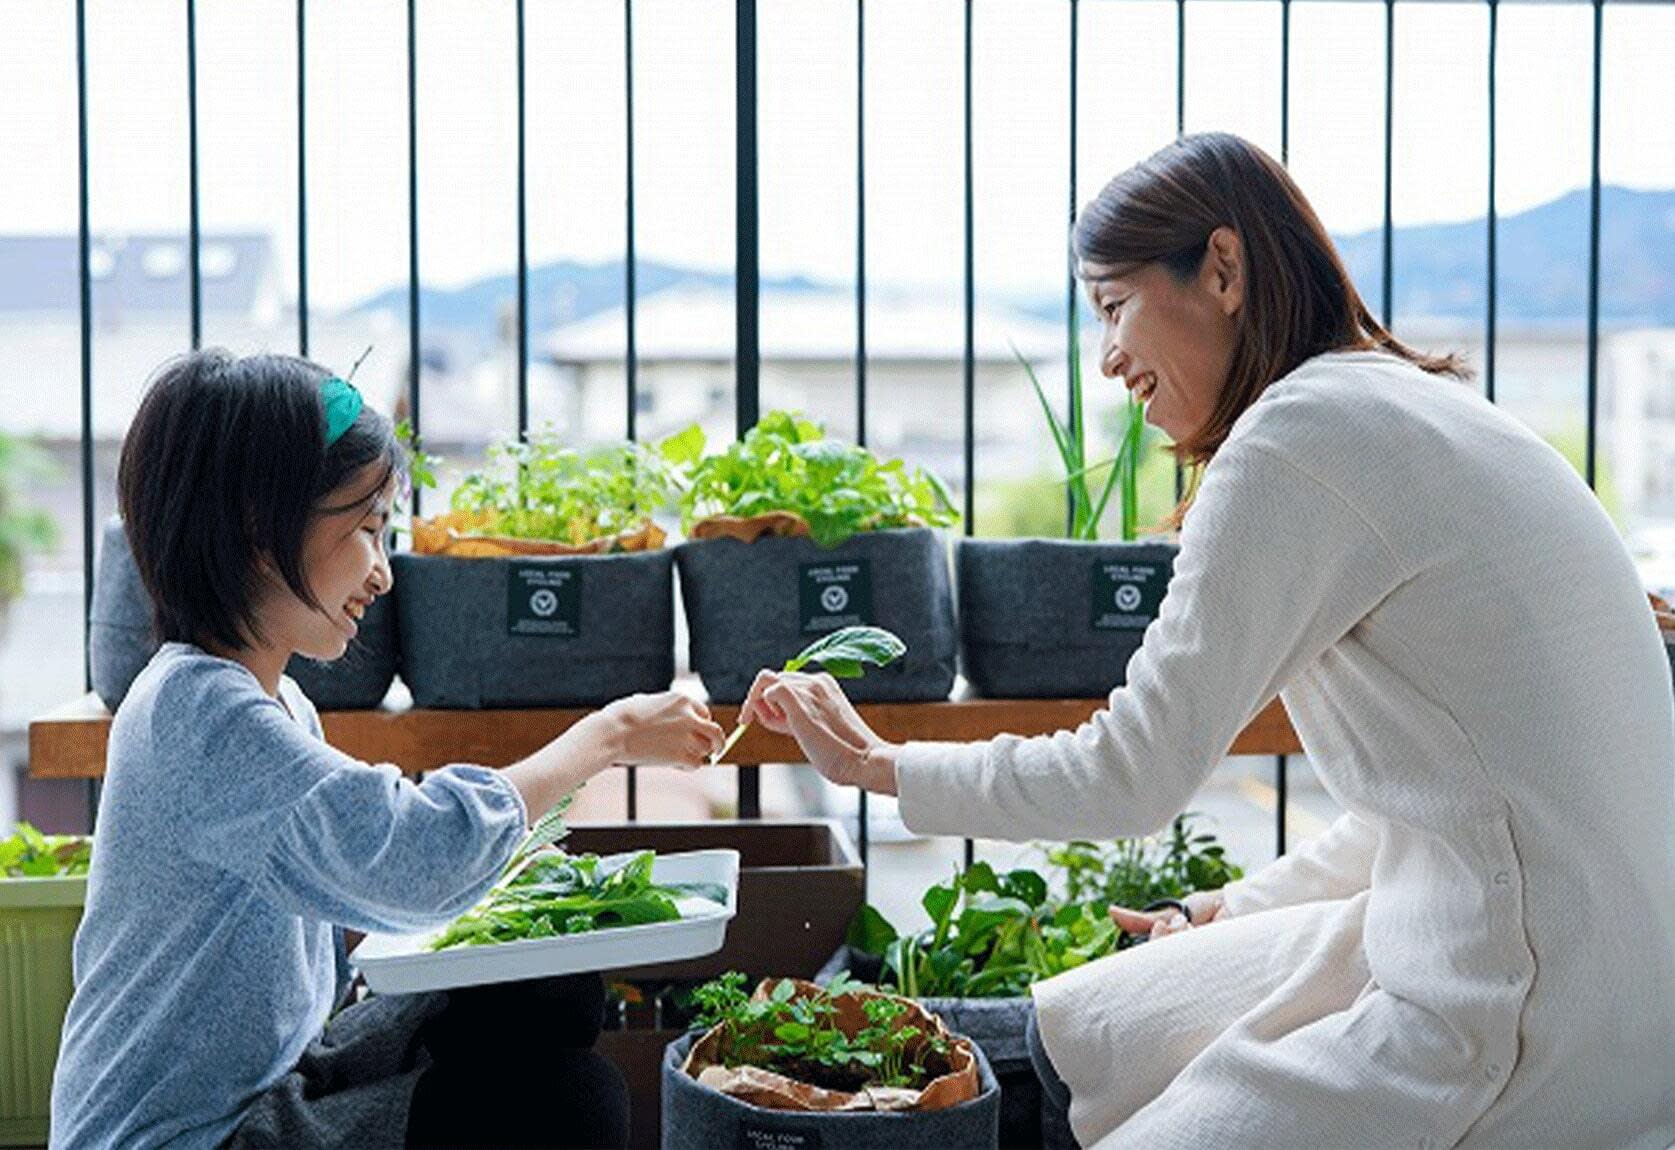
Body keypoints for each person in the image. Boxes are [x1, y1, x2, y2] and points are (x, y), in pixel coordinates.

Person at [740, 133, 1675, 1149]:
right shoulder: (1413, 405)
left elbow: (1131, 774)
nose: (1106, 357)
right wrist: (1235, 901)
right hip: (1600, 966)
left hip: (1520, 1001)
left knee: (1125, 1076)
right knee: (1092, 1024)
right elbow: (1451, 794)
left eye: (1111, 305)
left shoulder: (1294, 441)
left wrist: (878, 763)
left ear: (1221, 269)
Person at [50, 349, 726, 1149]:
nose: (382, 573)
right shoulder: (198, 715)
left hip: (280, 1077)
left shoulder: (277, 701)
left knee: (544, 988)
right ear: (258, 530)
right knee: (567, 1104)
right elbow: (417, 855)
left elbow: (391, 874)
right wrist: (605, 736)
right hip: (192, 1137)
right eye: (366, 530)